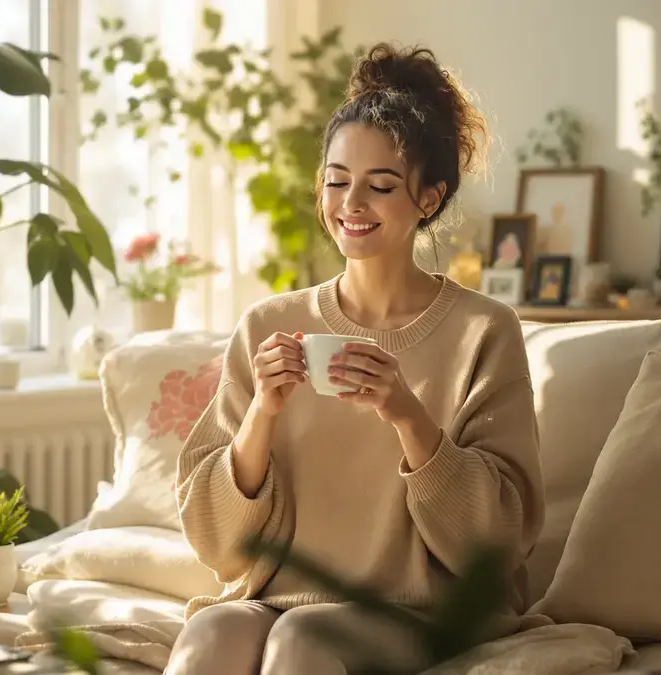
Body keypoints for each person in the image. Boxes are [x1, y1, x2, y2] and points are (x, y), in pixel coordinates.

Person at [166, 43, 545, 675]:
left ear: (429, 198)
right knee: (212, 632)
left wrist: (407, 414)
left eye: (381, 186)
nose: (351, 204)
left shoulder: (485, 331)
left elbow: (499, 543)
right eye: (337, 182)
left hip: (422, 614)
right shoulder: (268, 325)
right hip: (278, 596)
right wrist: (262, 413)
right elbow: (216, 543)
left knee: (304, 642)